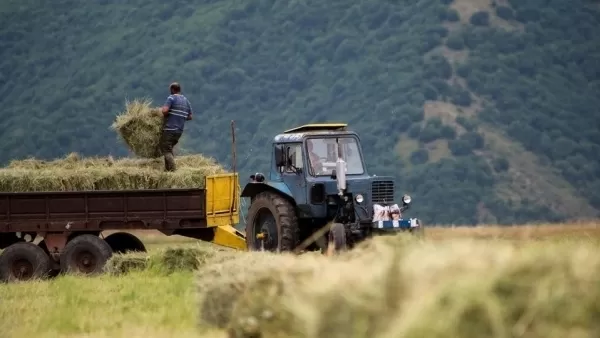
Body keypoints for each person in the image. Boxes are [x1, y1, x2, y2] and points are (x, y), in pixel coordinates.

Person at [159, 82, 193, 171]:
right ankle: (168, 171)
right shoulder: (186, 100)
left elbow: (164, 110)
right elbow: (190, 116)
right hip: (179, 131)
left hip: (170, 129)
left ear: (172, 90)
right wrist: (180, 116)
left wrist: (164, 111)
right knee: (169, 149)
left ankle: (173, 170)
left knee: (166, 149)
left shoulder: (171, 98)